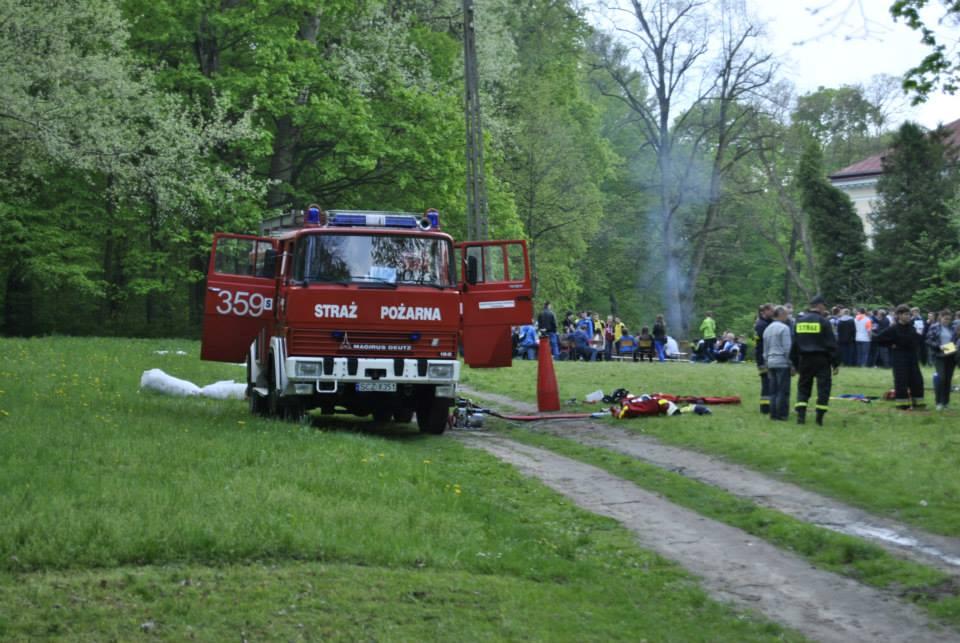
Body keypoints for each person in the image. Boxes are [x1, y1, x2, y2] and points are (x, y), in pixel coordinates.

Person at [790, 295, 839, 426]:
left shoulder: (799, 321)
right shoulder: (824, 322)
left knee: (803, 387)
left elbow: (794, 345)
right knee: (823, 388)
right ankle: (819, 418)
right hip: (822, 360)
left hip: (804, 359)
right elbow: (832, 344)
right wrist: (835, 363)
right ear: (819, 306)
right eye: (824, 306)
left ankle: (801, 417)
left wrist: (794, 363)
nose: (825, 309)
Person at [874, 304, 926, 411]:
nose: (908, 317)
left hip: (912, 357)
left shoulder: (912, 327)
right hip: (899, 357)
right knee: (901, 381)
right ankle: (903, 405)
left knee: (917, 380)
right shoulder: (893, 329)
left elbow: (919, 340)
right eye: (906, 314)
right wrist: (890, 345)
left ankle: (918, 404)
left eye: (909, 315)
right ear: (899, 315)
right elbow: (878, 339)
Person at [763, 305, 793, 421]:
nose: (787, 317)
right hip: (782, 362)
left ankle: (773, 414)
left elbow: (765, 351)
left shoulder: (767, 329)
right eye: (786, 314)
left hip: (771, 362)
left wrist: (766, 363)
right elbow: (787, 348)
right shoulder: (784, 328)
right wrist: (791, 364)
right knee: (783, 390)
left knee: (773, 391)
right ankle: (782, 414)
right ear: (781, 314)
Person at [926, 309, 958, 411]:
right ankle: (939, 402)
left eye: (949, 319)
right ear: (940, 317)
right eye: (945, 319)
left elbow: (956, 340)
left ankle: (946, 402)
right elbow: (929, 340)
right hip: (939, 355)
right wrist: (939, 347)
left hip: (951, 355)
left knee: (948, 380)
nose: (947, 321)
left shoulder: (953, 327)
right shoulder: (934, 327)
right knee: (942, 378)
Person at [754, 303, 775, 414]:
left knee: (769, 382)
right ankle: (765, 407)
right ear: (765, 311)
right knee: (766, 382)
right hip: (763, 358)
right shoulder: (761, 325)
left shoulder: (767, 323)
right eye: (772, 311)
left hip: (767, 356)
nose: (773, 313)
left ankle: (768, 405)